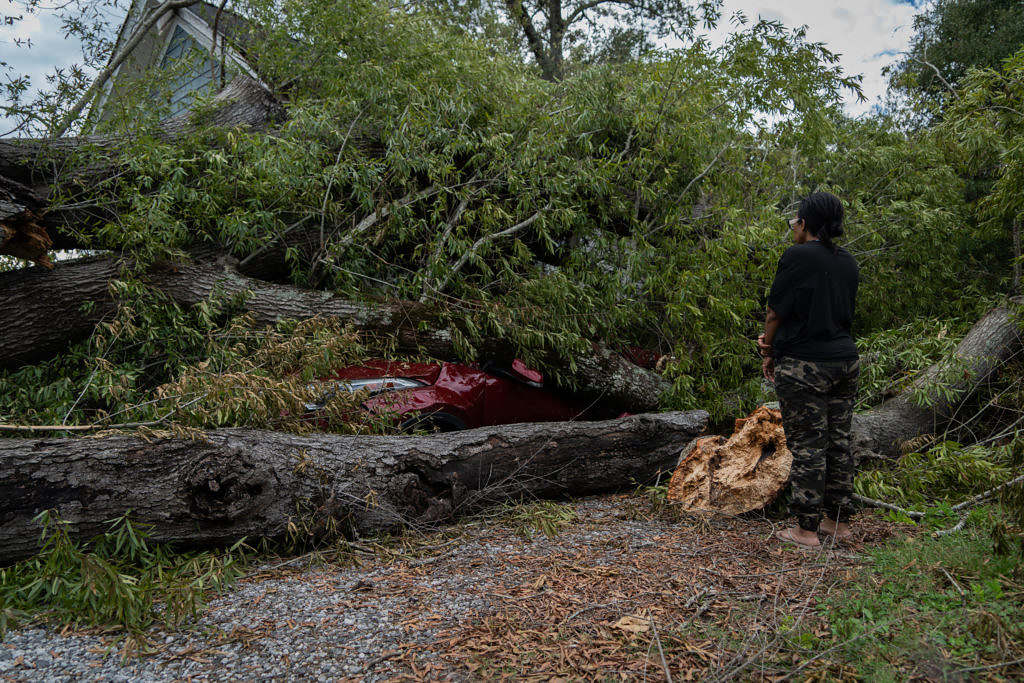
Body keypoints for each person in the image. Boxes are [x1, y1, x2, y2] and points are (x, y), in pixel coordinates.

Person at [757, 192, 860, 547]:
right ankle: (838, 523)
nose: (794, 229)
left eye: (795, 222)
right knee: (839, 443)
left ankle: (805, 530)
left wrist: (768, 349)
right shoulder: (848, 261)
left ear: (804, 224)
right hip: (845, 361)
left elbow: (775, 313)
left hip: (805, 365)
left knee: (808, 446)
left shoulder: (797, 256)